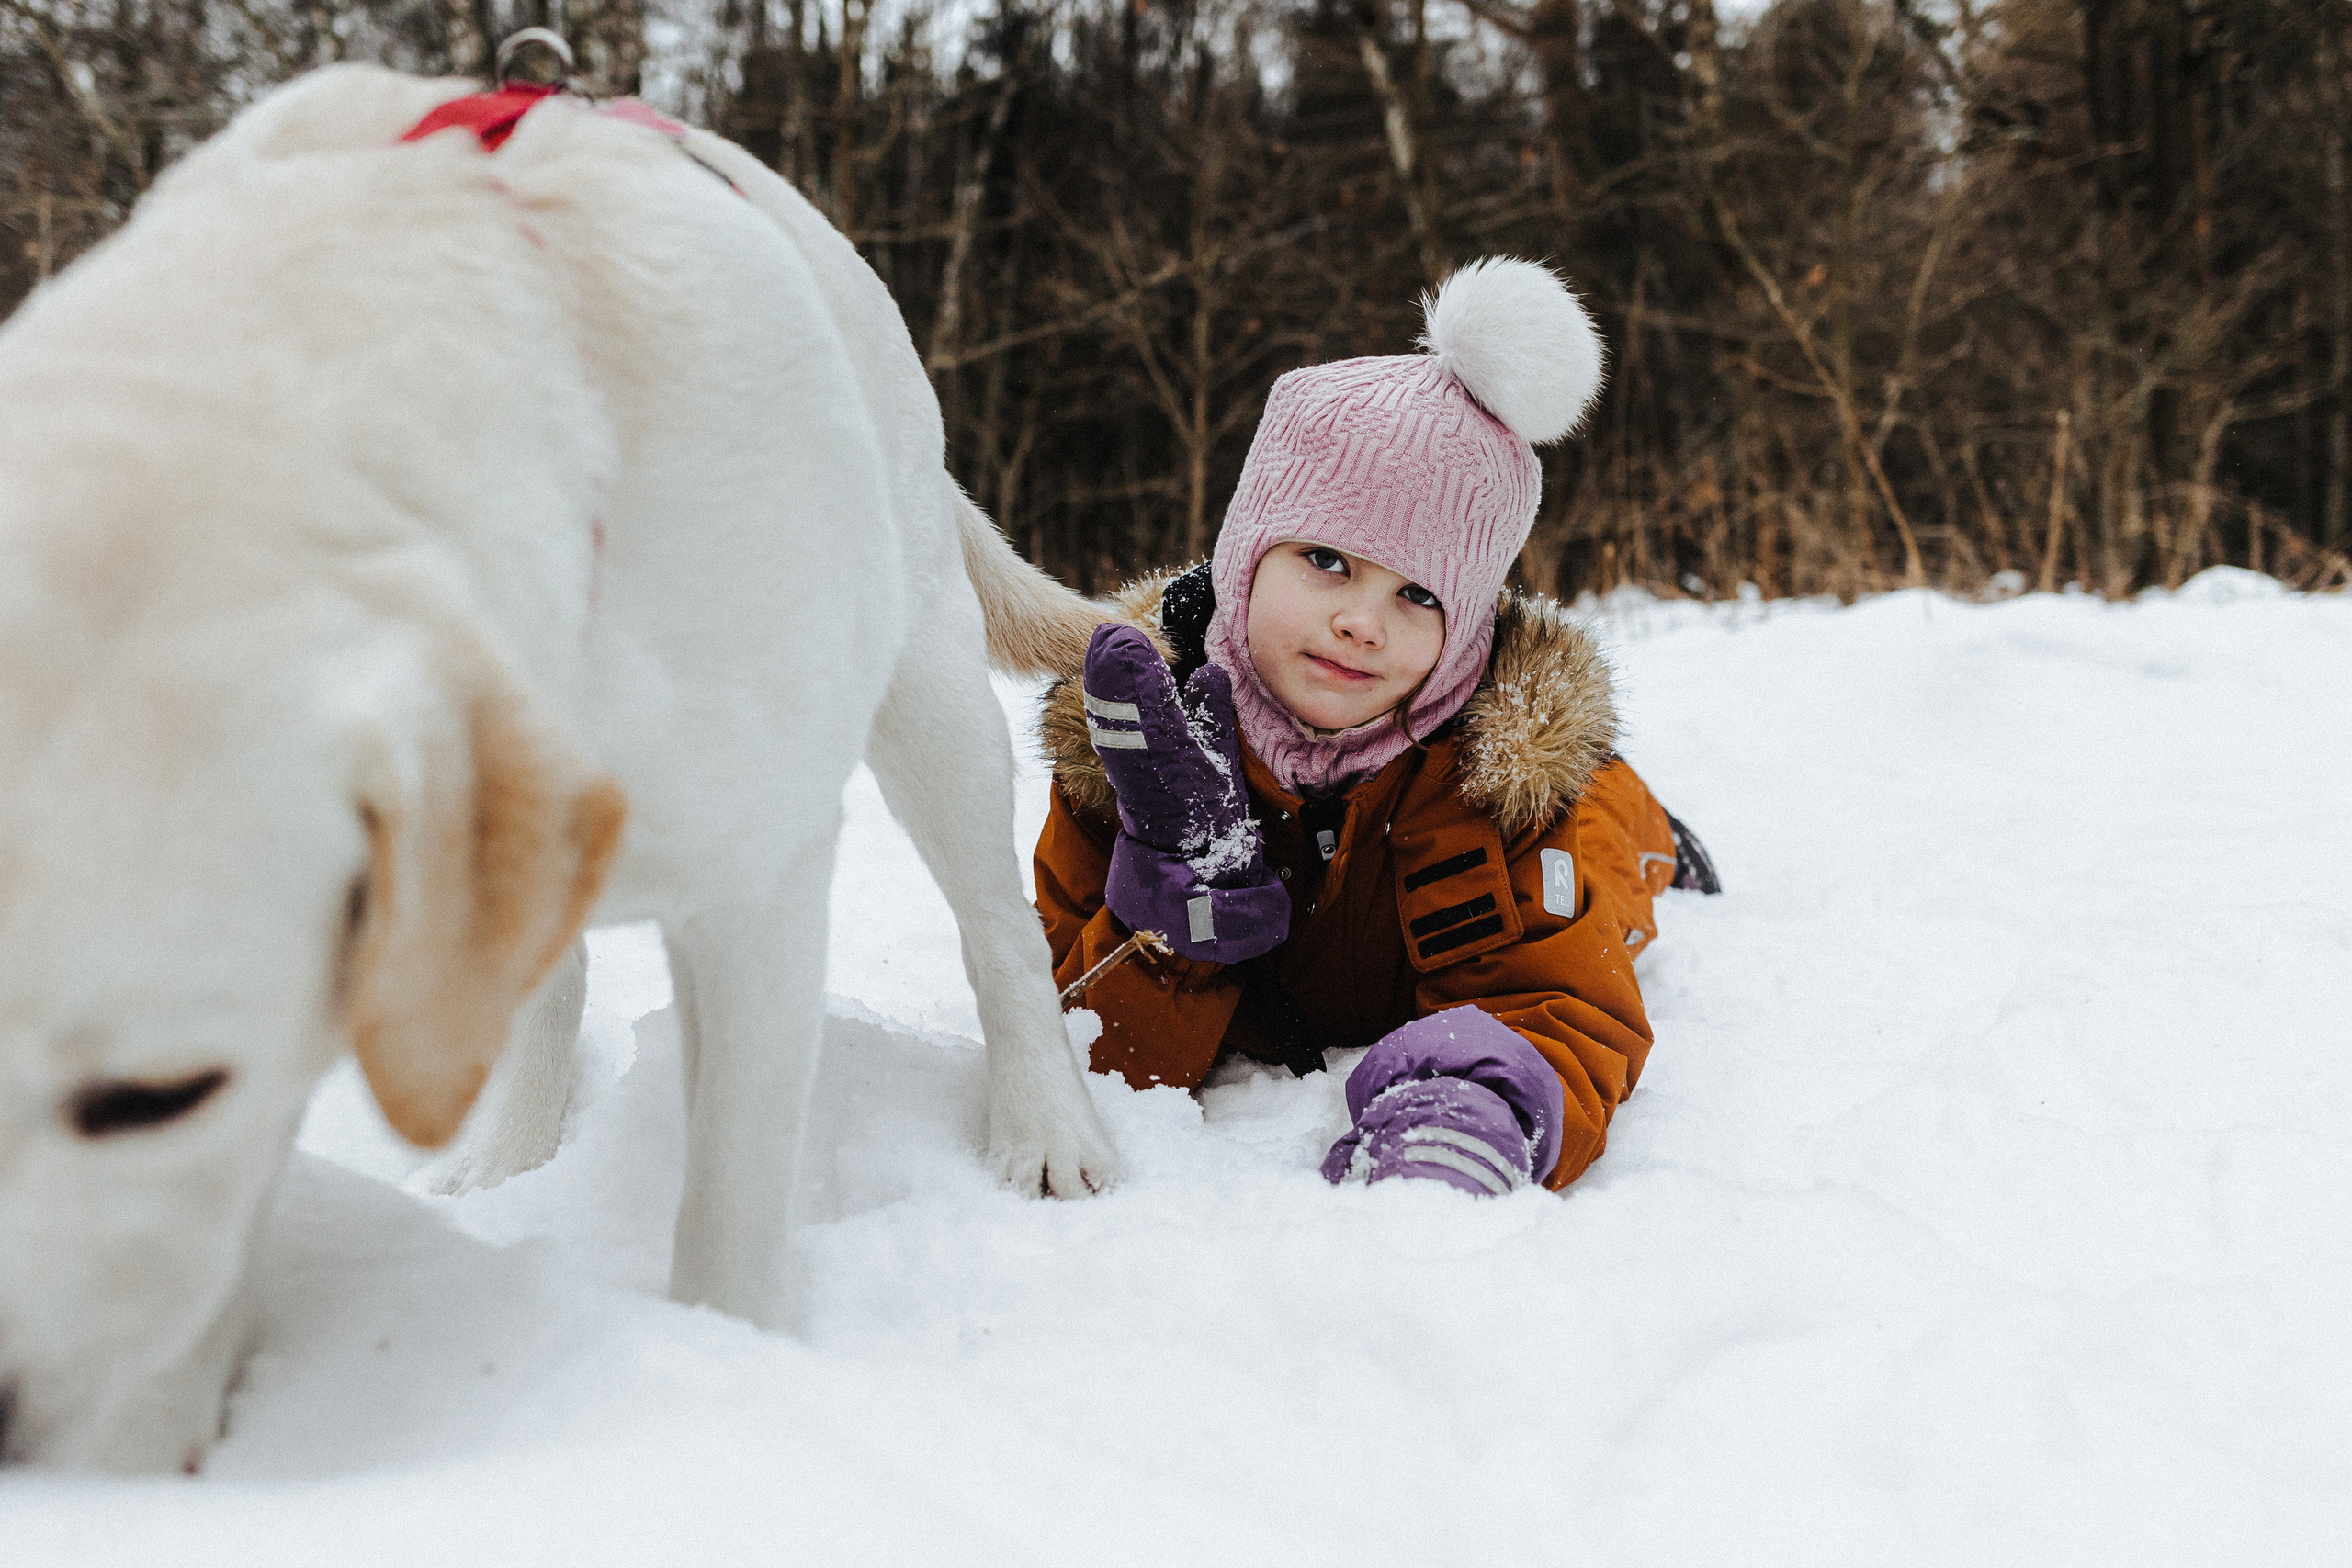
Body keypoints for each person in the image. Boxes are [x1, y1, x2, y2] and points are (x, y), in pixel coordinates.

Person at [1032, 257, 1719, 1196]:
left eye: (1417, 593)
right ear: (1243, 556)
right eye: (1325, 560)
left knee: (1598, 827)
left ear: (1466, 627)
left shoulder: (1491, 782)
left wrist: (1486, 1106)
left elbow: (1565, 1002)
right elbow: (1060, 1032)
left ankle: (1651, 822)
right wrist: (1169, 910)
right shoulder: (1130, 756)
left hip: (1555, 831)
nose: (1363, 621)